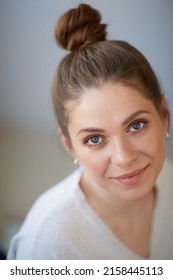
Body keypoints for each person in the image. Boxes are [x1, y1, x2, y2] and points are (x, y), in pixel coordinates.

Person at [7, 3, 172, 260]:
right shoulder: (47, 243)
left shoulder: (169, 179)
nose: (124, 157)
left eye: (136, 125)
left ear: (164, 116)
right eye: (95, 139)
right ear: (69, 146)